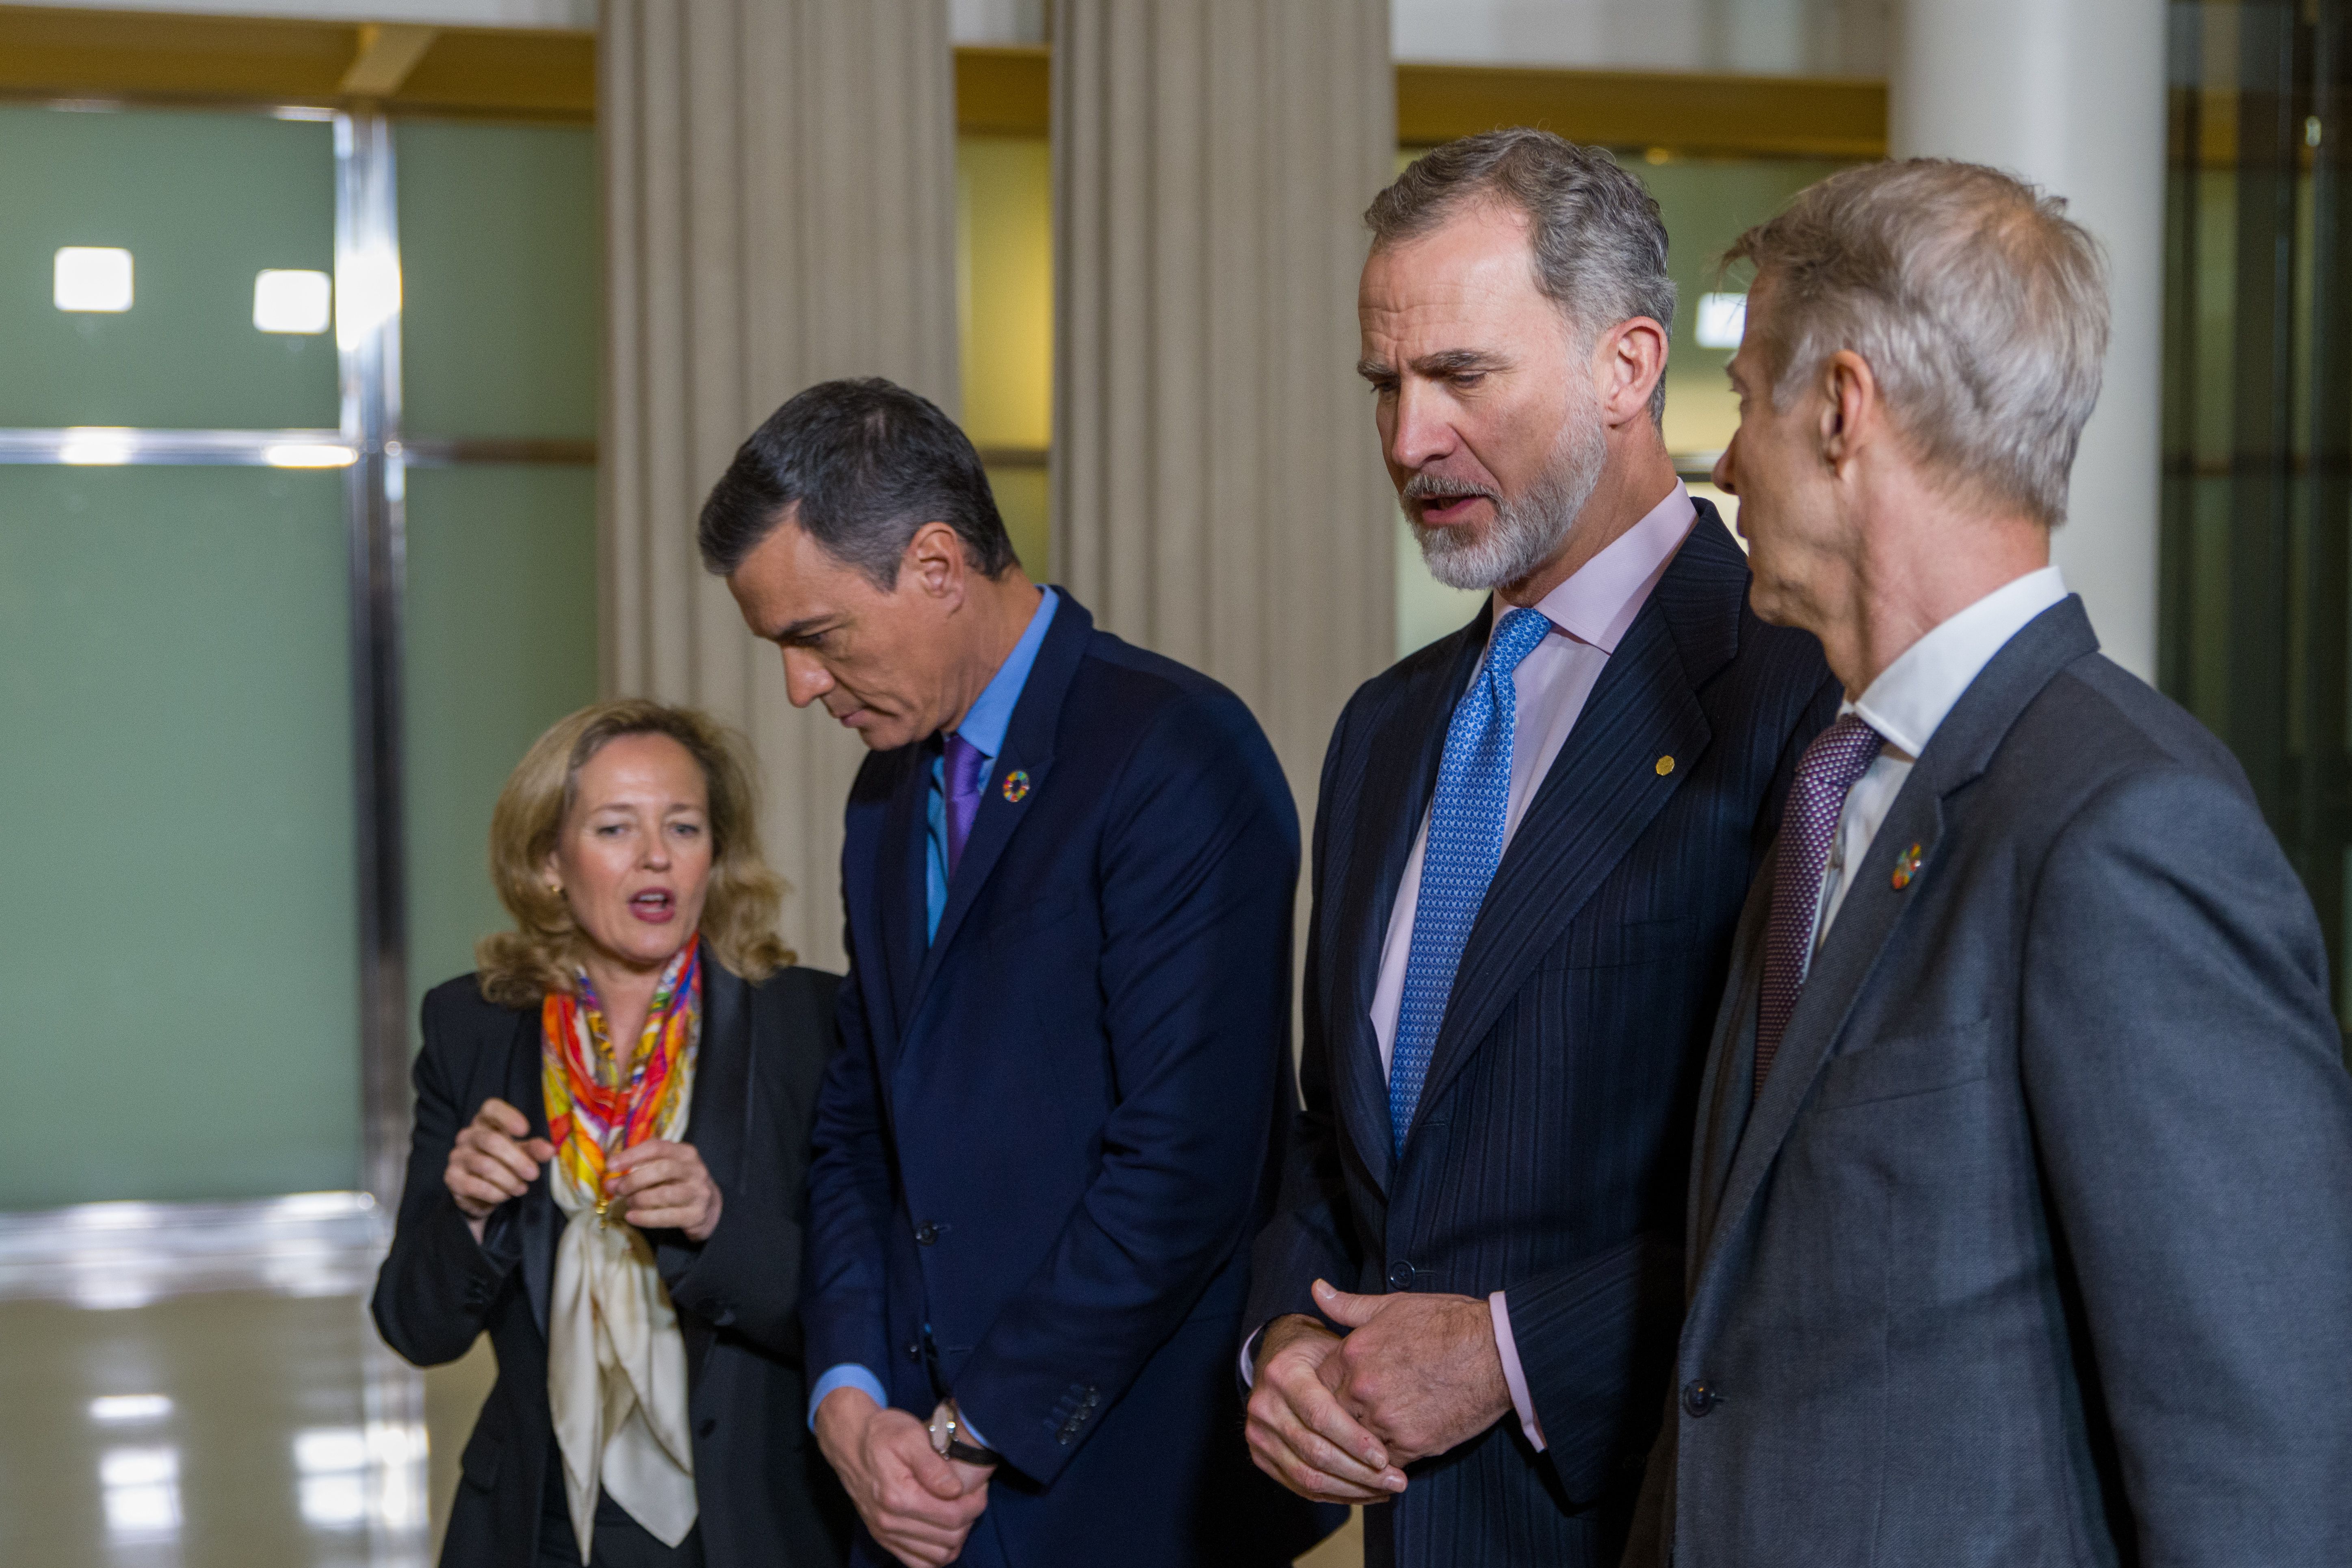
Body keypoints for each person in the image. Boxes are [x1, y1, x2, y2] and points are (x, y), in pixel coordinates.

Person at [1620, 159, 2352, 1566]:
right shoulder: (1834, 787)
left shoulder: (2129, 825)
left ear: (1842, 411)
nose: (1722, 462)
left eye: (1745, 396)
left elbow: (2255, 1462)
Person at [1240, 130, 1836, 1567]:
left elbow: (1821, 1181)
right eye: (1387, 385)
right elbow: (1344, 1143)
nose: (1405, 441)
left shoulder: (1796, 692)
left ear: (1628, 369)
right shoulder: (1384, 730)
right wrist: (1280, 1345)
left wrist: (1511, 1353)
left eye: (1461, 376)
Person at [699, 377, 1338, 1568]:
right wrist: (845, 1390)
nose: (796, 685)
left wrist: (971, 1425)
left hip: (1119, 1485)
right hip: (911, 1480)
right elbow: (858, 1120)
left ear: (936, 565)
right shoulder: (885, 789)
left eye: (814, 635)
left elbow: (1183, 1170)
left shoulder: (1173, 754)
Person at [373, 700, 852, 1568]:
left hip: (749, 1529)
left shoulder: (809, 1024)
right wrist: (470, 1217)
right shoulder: (472, 1027)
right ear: (549, 861)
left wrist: (717, 1224)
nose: (656, 855)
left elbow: (859, 1307)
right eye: (615, 828)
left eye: (684, 825)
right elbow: (415, 1324)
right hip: (541, 1526)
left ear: (717, 853)